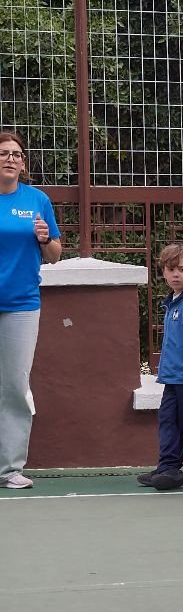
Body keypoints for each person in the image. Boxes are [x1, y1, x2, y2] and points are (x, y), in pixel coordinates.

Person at [0, 131, 62, 490]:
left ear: (23, 163)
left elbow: (54, 255)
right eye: (4, 153)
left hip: (22, 306)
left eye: (16, 154)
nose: (10, 159)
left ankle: (9, 469)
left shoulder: (37, 200)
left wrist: (44, 238)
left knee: (14, 386)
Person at [138, 243, 183, 491]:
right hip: (171, 377)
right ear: (163, 273)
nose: (176, 274)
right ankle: (165, 465)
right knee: (167, 421)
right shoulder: (172, 302)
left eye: (182, 269)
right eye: (170, 269)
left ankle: (172, 468)